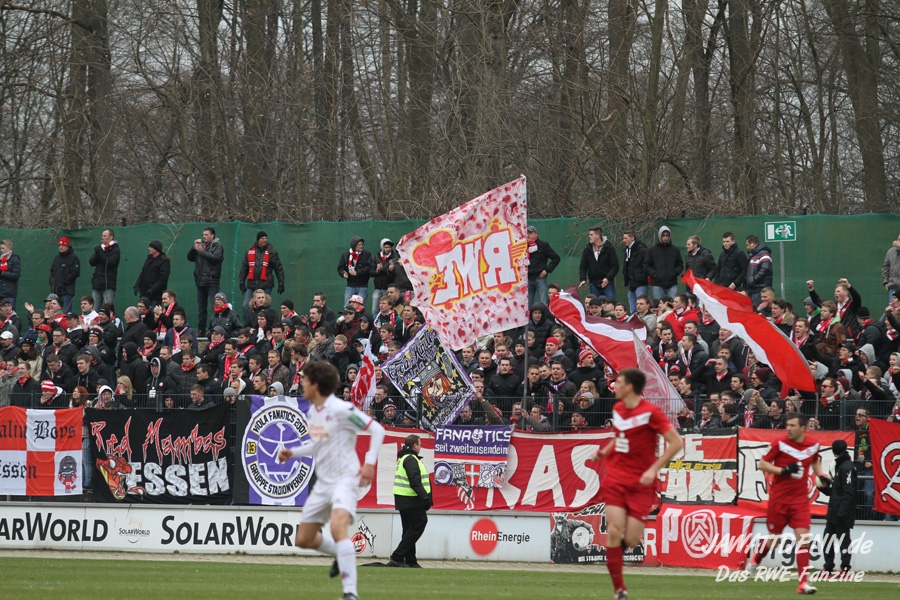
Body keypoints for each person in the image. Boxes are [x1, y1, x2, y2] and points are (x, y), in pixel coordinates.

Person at [277, 361, 386, 600]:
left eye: (304, 380)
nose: (301, 384)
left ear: (315, 385)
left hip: (345, 479)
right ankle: (341, 553)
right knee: (304, 539)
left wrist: (369, 463)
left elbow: (377, 429)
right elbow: (319, 444)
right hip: (324, 483)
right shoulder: (312, 412)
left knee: (338, 528)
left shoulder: (341, 409)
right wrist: (293, 452)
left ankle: (350, 593)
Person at [591, 368, 683, 600]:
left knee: (631, 539)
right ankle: (619, 590)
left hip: (641, 483)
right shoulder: (618, 408)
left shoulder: (651, 413)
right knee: (613, 530)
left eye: (618, 382)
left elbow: (676, 442)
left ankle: (616, 556)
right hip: (616, 477)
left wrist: (653, 469)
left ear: (629, 387)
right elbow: (619, 437)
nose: (614, 386)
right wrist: (604, 452)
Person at [745, 413, 828, 595]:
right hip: (779, 499)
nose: (788, 428)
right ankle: (756, 560)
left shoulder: (813, 444)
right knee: (774, 540)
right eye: (787, 425)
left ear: (803, 429)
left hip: (800, 500)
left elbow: (814, 461)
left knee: (803, 539)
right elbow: (763, 464)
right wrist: (783, 470)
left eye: (792, 425)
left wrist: (821, 475)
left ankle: (803, 584)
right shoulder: (780, 443)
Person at [389, 434, 432, 568]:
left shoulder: (404, 458)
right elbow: (415, 481)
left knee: (408, 530)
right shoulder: (411, 459)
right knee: (419, 523)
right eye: (420, 444)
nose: (421, 446)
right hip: (411, 499)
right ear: (415, 446)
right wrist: (425, 497)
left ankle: (410, 560)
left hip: (403, 499)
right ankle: (397, 556)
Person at [818, 439, 856, 574]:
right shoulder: (841, 466)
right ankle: (828, 566)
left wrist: (842, 512)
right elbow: (836, 492)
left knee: (843, 541)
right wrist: (823, 488)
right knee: (828, 539)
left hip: (841, 512)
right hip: (834, 511)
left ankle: (845, 568)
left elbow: (849, 492)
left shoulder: (847, 467)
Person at [239, 231, 286, 323]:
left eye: (266, 238)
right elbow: (245, 267)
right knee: (246, 305)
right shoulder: (249, 251)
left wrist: (281, 282)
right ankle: (249, 325)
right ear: (258, 240)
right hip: (252, 285)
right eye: (262, 238)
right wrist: (241, 281)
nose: (265, 240)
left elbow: (278, 268)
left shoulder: (272, 252)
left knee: (265, 307)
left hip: (266, 285)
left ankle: (266, 326)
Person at [187, 226, 224, 336]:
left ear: (212, 236)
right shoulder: (201, 246)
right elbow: (190, 258)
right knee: (201, 308)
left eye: (206, 235)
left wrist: (202, 251)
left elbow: (216, 259)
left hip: (212, 281)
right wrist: (194, 248)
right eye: (203, 235)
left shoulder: (218, 246)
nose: (204, 236)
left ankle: (214, 328)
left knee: (215, 306)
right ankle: (201, 329)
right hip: (200, 281)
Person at [578, 224, 619, 300]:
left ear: (598, 235)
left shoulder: (609, 248)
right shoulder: (587, 249)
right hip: (593, 283)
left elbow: (615, 266)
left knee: (610, 304)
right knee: (595, 305)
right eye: (589, 235)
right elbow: (583, 265)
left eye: (591, 235)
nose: (589, 237)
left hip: (608, 283)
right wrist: (583, 279)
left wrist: (607, 278)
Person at [645, 226, 683, 300]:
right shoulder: (652, 250)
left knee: (672, 306)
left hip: (672, 283)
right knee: (659, 306)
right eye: (663, 235)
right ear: (660, 236)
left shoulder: (675, 250)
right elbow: (646, 265)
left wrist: (674, 273)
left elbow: (680, 264)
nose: (665, 238)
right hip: (657, 284)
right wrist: (654, 274)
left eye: (667, 235)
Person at [526, 225, 561, 306]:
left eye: (530, 233)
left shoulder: (543, 245)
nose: (528, 235)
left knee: (543, 302)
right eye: (526, 233)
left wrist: (546, 270)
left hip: (540, 278)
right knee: (528, 304)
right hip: (527, 278)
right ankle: (530, 319)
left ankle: (544, 318)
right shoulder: (523, 246)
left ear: (536, 234)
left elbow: (556, 258)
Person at [337, 236, 374, 306]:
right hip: (350, 285)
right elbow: (340, 268)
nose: (361, 246)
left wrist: (357, 273)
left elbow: (368, 268)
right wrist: (343, 273)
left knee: (360, 306)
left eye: (362, 244)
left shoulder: (367, 254)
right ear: (354, 245)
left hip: (363, 285)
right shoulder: (345, 255)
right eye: (359, 245)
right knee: (347, 306)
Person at [88, 228, 120, 309]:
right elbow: (91, 262)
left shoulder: (115, 250)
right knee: (94, 310)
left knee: (108, 309)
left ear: (111, 237)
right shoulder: (101, 248)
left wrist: (99, 252)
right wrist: (98, 252)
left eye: (105, 236)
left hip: (108, 285)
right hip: (97, 284)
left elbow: (109, 263)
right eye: (102, 236)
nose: (102, 238)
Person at [134, 240, 170, 307]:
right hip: (144, 294)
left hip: (156, 295)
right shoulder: (149, 259)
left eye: (151, 247)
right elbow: (142, 274)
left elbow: (163, 279)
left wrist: (152, 289)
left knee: (153, 313)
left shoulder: (164, 261)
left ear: (156, 249)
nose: (149, 248)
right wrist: (137, 285)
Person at [49, 236, 81, 313]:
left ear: (67, 246)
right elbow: (52, 272)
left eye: (63, 245)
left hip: (67, 291)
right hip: (56, 292)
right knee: (56, 313)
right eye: (59, 245)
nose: (61, 247)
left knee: (66, 313)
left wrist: (64, 281)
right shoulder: (57, 258)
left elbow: (75, 272)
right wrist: (52, 282)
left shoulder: (73, 258)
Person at [621, 230, 648, 314]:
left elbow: (647, 264)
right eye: (623, 238)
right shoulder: (627, 250)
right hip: (630, 283)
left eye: (626, 238)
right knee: (633, 310)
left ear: (632, 238)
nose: (623, 240)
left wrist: (642, 277)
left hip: (640, 283)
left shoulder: (642, 249)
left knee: (641, 308)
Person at [744, 235, 773, 306]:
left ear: (752, 244)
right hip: (753, 289)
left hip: (759, 289)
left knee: (757, 310)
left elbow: (765, 269)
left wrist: (754, 280)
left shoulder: (764, 254)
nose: (746, 247)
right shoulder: (753, 255)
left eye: (747, 245)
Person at [0, 239, 22, 310]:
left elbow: (16, 275)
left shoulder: (15, 259)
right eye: (1, 248)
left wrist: (3, 273)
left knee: (10, 316)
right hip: (0, 291)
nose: (1, 250)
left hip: (9, 293)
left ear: (9, 248)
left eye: (3, 248)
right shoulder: (1, 259)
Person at [882, 233, 900, 304]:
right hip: (893, 288)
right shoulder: (890, 252)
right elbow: (885, 267)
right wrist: (886, 282)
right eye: (899, 240)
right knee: (893, 311)